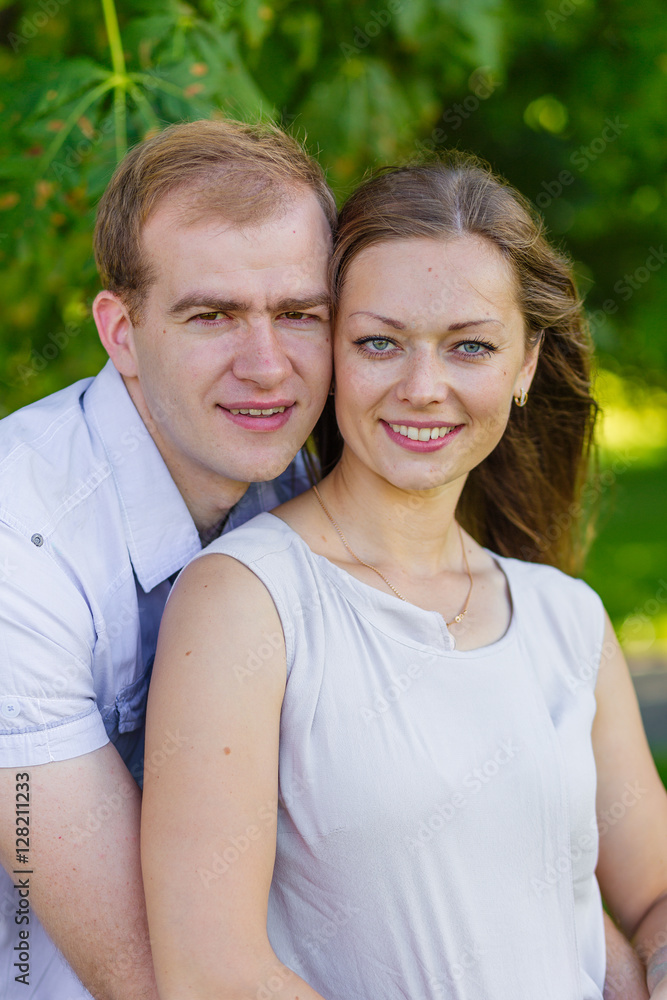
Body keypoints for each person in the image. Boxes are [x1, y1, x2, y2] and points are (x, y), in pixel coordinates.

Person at [142, 156, 667, 999]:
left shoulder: (564, 617)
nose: (423, 389)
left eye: (470, 346)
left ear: (525, 364)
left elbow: (652, 891)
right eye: (379, 342)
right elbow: (210, 974)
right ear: (331, 352)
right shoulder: (247, 601)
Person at [0, 118, 335, 1000]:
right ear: (121, 330)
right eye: (211, 315)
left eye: (299, 314)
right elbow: (146, 978)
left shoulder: (315, 478)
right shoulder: (17, 542)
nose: (267, 366)